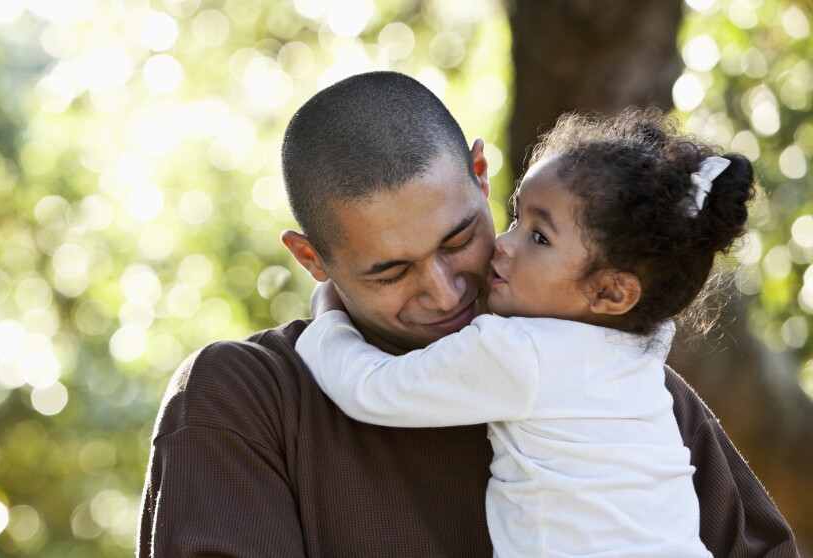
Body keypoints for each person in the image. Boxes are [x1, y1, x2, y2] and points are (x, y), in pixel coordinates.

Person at [136, 71, 799, 557]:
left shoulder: (623, 385)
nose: (446, 290)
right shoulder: (246, 400)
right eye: (390, 271)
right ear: (313, 259)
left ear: (482, 175)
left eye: (458, 240)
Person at [295, 108, 749, 557]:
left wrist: (327, 318)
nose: (505, 244)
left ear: (611, 292)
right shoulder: (640, 355)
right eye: (517, 219)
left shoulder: (516, 353)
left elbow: (371, 389)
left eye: (538, 238)